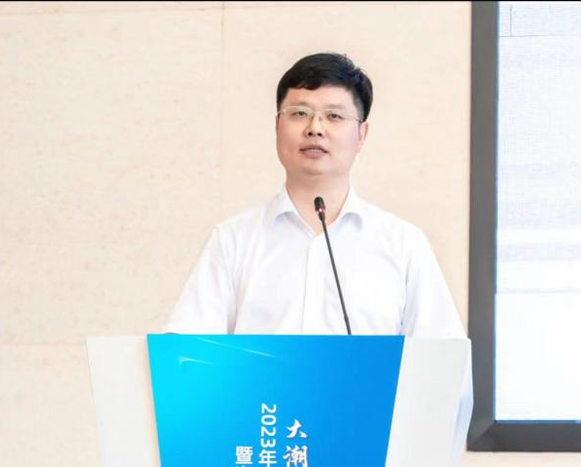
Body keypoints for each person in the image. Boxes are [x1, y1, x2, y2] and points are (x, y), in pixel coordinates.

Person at [163, 52, 465, 340]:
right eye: (299, 113)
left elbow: (441, 361)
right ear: (277, 126)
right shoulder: (233, 241)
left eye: (334, 116)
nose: (315, 128)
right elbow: (187, 355)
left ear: (361, 134)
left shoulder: (403, 244)